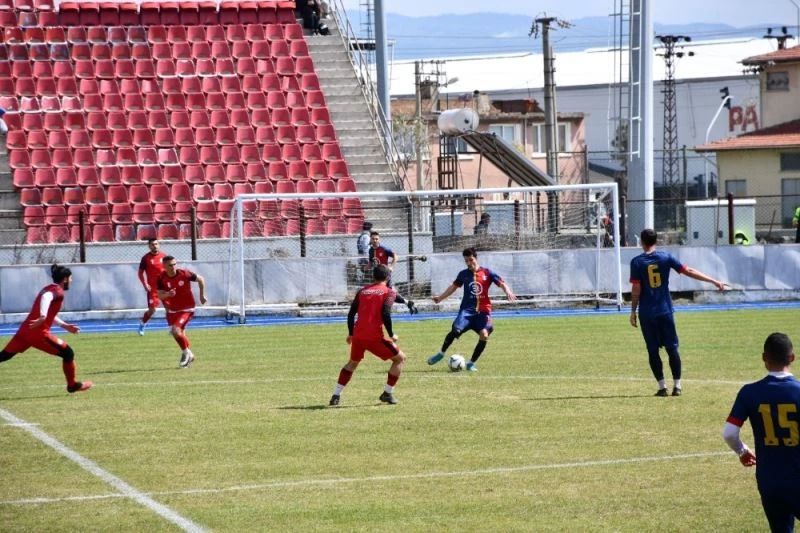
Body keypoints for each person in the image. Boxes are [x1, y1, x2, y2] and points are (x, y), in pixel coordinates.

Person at [629, 228, 727, 396]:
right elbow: (688, 271)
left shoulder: (637, 262)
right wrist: (713, 281)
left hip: (647, 313)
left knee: (653, 350)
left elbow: (636, 288)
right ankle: (678, 386)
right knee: (672, 348)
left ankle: (662, 387)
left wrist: (633, 311)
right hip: (665, 310)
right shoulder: (666, 257)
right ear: (656, 241)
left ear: (642, 242)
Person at [722, 332, 800, 532]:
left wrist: (742, 450)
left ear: (764, 357)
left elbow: (730, 433)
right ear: (792, 358)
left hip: (769, 480)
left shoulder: (749, 392)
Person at [0, 264, 92, 393]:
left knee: (3, 356)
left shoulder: (47, 288)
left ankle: (72, 385)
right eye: (70, 278)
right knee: (68, 353)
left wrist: (64, 325)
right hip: (38, 335)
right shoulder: (57, 291)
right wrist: (43, 315)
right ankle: (72, 385)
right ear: (65, 279)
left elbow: (49, 310)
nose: (71, 281)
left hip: (25, 330)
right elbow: (46, 298)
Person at [427, 247, 516, 371]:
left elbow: (502, 283)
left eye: (470, 260)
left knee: (484, 335)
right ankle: (441, 353)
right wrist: (440, 298)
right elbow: (453, 287)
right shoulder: (463, 274)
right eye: (466, 261)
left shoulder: (487, 272)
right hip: (467, 311)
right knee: (456, 331)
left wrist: (508, 291)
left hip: (483, 312)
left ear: (476, 258)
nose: (469, 263)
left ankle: (471, 363)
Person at [329, 264, 407, 406]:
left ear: (373, 276)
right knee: (400, 359)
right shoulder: (388, 292)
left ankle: (335, 395)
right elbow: (385, 312)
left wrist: (351, 333)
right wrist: (391, 333)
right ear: (388, 277)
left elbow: (351, 313)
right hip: (374, 337)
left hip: (358, 336)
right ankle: (387, 393)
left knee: (352, 363)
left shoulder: (362, 291)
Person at [156, 256, 206, 368]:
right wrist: (168, 295)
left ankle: (186, 353)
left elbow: (201, 279)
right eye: (170, 265)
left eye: (174, 264)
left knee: (175, 330)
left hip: (187, 308)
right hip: (172, 310)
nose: (173, 267)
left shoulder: (184, 274)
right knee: (178, 334)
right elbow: (160, 295)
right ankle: (189, 355)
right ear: (164, 266)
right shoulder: (161, 278)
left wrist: (202, 296)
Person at [368, 231, 418, 314]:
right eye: (373, 239)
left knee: (389, 294)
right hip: (377, 276)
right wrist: (365, 267)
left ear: (379, 239)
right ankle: (407, 303)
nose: (375, 240)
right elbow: (371, 262)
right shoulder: (370, 250)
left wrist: (391, 266)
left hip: (385, 275)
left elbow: (395, 256)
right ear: (370, 239)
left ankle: (405, 304)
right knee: (387, 294)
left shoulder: (384, 249)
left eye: (376, 239)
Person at [137, 238, 166, 336]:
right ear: (149, 246)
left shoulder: (164, 256)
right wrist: (145, 284)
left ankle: (173, 327)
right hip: (153, 289)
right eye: (152, 244)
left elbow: (170, 269)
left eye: (156, 244)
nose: (155, 246)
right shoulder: (146, 258)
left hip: (165, 288)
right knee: (152, 310)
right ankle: (142, 323)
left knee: (170, 308)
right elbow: (140, 273)